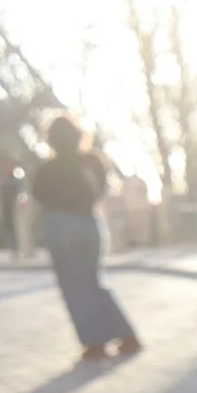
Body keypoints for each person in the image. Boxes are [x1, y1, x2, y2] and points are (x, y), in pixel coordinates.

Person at [28, 113, 143, 360]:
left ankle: (94, 342)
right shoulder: (93, 161)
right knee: (93, 281)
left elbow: (39, 195)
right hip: (90, 223)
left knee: (74, 285)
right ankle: (126, 335)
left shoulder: (48, 169)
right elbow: (99, 191)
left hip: (61, 225)